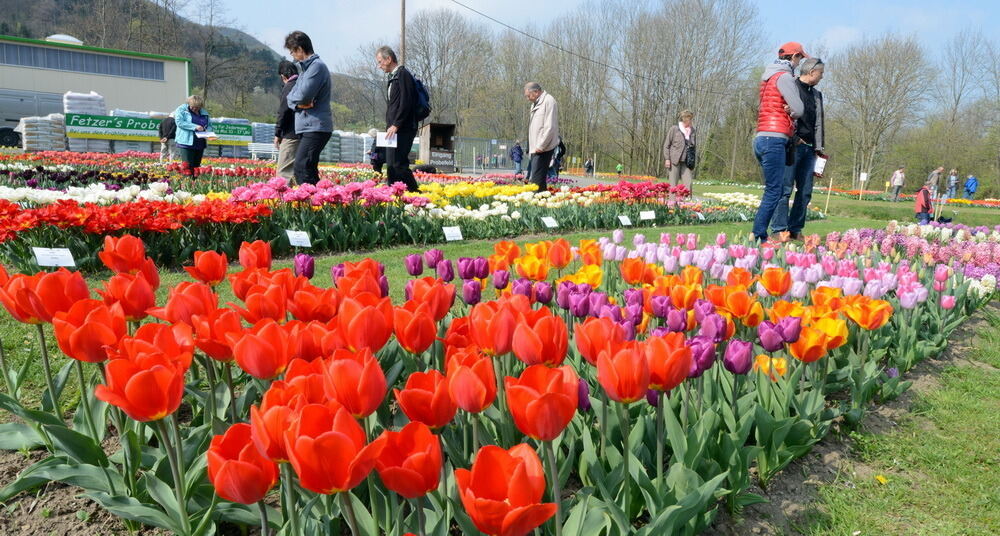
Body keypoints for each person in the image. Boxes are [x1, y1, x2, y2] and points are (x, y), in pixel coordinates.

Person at [751, 42, 807, 244]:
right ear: (794, 57)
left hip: (761, 137)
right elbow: (799, 109)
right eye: (799, 59)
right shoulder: (785, 77)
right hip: (775, 138)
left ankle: (758, 234)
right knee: (774, 191)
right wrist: (791, 111)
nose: (799, 63)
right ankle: (759, 235)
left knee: (772, 189)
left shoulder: (767, 77)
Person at [770, 57, 826, 241]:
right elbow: (782, 115)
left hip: (810, 151)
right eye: (820, 73)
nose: (821, 77)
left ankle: (795, 229)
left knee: (805, 191)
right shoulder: (790, 87)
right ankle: (779, 229)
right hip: (791, 147)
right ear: (811, 72)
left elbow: (819, 124)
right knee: (784, 189)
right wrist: (794, 139)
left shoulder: (817, 95)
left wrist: (819, 148)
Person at [285, 31, 332, 185]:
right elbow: (290, 97)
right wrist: (297, 104)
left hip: (316, 126)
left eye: (292, 51)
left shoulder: (316, 67)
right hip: (307, 126)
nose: (292, 55)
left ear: (300, 49)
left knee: (302, 166)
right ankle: (318, 203)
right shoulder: (305, 70)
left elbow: (303, 96)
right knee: (308, 168)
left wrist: (296, 101)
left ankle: (312, 202)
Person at [376, 46, 420, 192]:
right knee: (391, 164)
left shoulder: (403, 74)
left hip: (403, 128)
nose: (379, 65)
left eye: (380, 61)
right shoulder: (394, 76)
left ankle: (415, 194)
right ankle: (394, 193)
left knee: (398, 164)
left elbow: (406, 102)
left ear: (389, 59)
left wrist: (396, 124)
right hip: (393, 129)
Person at [524, 82, 560, 191]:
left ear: (536, 92)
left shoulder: (548, 101)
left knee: (536, 180)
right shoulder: (535, 103)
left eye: (528, 95)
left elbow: (550, 126)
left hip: (543, 148)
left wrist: (541, 145)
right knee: (538, 180)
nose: (527, 98)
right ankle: (542, 203)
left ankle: (537, 203)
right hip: (536, 148)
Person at [274, 59, 301, 180]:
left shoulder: (289, 86)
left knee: (283, 172)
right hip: (305, 134)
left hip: (291, 134)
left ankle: (284, 198)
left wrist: (278, 133)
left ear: (283, 76)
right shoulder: (303, 84)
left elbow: (283, 112)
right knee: (297, 171)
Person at [173, 95, 212, 177]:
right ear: (188, 104)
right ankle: (186, 185)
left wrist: (209, 131)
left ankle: (194, 185)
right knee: (187, 167)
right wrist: (195, 127)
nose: (195, 109)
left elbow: (210, 125)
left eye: (198, 107)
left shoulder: (204, 112)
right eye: (193, 107)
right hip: (186, 142)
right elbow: (180, 122)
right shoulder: (181, 110)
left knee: (196, 168)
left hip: (200, 142)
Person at [663, 109, 697, 193]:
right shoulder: (674, 129)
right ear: (684, 119)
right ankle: (672, 204)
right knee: (673, 186)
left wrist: (692, 161)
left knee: (688, 184)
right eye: (690, 118)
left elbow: (693, 147)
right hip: (674, 161)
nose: (691, 120)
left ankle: (687, 204)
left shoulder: (692, 131)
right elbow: (666, 145)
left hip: (686, 162)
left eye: (691, 118)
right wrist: (667, 159)